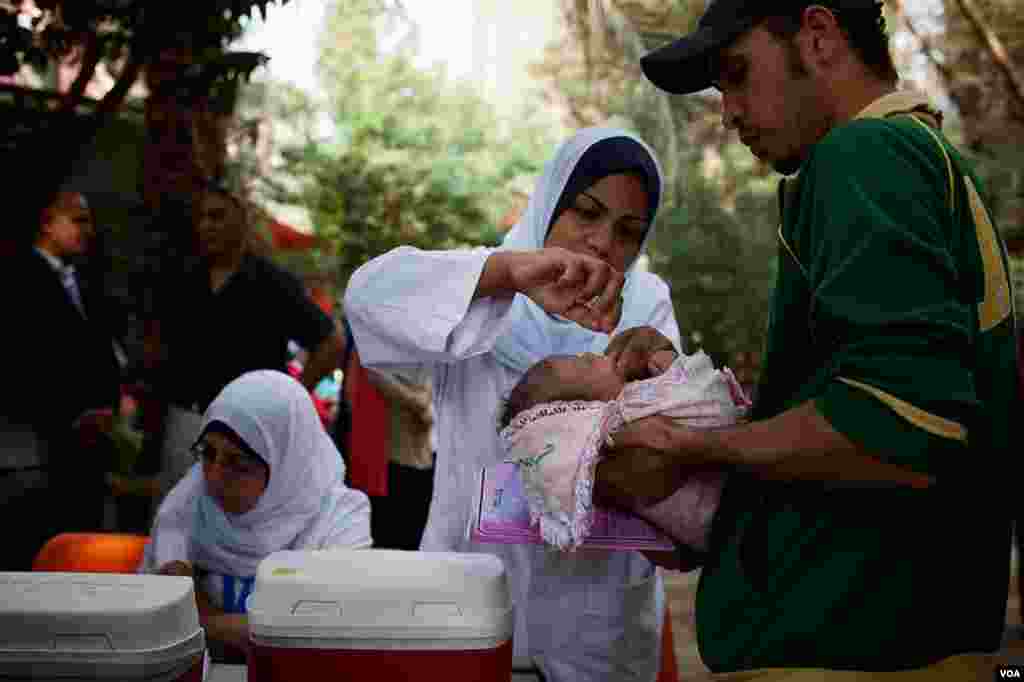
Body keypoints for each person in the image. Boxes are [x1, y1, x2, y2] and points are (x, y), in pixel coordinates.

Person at [595, 0, 1021, 676]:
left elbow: (898, 424)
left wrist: (691, 448)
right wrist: (689, 398)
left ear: (818, 37)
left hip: (849, 650)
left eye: (737, 74)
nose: (728, 111)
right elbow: (883, 396)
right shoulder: (919, 156)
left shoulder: (863, 153)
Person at [345, 127, 681, 682]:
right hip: (469, 599)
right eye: (585, 213)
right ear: (549, 202)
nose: (601, 242)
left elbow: (674, 441)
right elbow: (366, 301)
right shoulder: (487, 283)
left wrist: (662, 374)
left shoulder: (646, 304)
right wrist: (505, 274)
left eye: (628, 231)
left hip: (598, 621)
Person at [139, 370, 371, 660]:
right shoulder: (187, 500)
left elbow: (322, 636)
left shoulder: (340, 520)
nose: (213, 476)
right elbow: (157, 618)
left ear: (286, 464)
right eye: (208, 453)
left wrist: (206, 620)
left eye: (237, 462)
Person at [141, 183, 344, 509]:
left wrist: (288, 396)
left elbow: (331, 342)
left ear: (241, 221)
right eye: (200, 218)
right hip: (185, 424)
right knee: (175, 530)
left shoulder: (272, 283)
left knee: (240, 527)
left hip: (247, 429)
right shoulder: (181, 279)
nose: (206, 225)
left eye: (217, 216)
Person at [499, 349, 747, 553]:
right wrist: (674, 367)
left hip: (713, 531)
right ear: (585, 409)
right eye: (584, 363)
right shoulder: (630, 414)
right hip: (733, 510)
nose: (590, 354)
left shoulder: (617, 433)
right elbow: (714, 409)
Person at [3, 190, 125, 569]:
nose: (87, 230)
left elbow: (100, 352)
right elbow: (21, 361)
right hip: (36, 444)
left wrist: (108, 408)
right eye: (77, 220)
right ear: (47, 222)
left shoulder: (85, 281)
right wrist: (68, 416)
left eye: (88, 221)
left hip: (88, 447)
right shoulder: (15, 277)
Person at [365, 365, 436, 550]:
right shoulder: (375, 359)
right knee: (395, 541)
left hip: (421, 461)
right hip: (396, 463)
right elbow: (375, 375)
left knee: (415, 539)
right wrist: (417, 400)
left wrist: (420, 400)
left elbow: (426, 392)